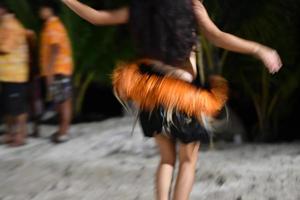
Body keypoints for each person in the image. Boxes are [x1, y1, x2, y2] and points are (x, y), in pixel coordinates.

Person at [62, 0, 282, 199]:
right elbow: (217, 37)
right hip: (181, 96)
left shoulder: (140, 8)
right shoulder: (190, 6)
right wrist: (259, 49)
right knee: (188, 160)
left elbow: (96, 16)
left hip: (149, 91)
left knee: (167, 159)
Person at [39, 1, 74, 143]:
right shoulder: (51, 25)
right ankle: (62, 130)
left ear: (50, 10)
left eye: (42, 8)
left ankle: (64, 131)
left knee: (64, 101)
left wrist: (49, 72)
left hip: (59, 69)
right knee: (61, 101)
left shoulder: (53, 26)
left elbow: (55, 48)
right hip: (60, 69)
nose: (40, 11)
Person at [0, 2, 32, 147]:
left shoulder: (11, 26)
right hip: (9, 74)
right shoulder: (5, 24)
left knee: (17, 108)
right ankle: (13, 135)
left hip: (14, 74)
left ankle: (20, 136)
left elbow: (5, 48)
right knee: (10, 106)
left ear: (3, 10)